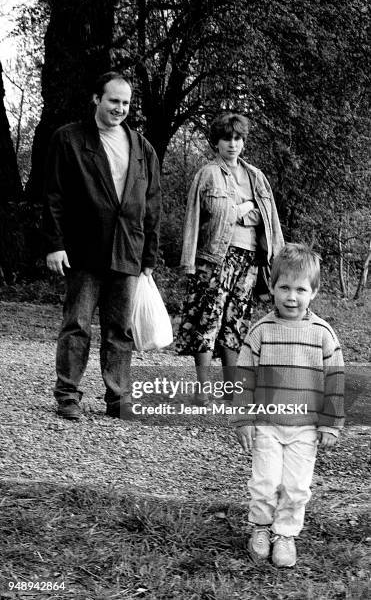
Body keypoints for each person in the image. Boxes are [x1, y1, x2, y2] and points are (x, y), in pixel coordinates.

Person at [43, 71, 161, 421]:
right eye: (113, 100)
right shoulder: (69, 139)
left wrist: (149, 258)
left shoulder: (143, 147)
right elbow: (53, 196)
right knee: (77, 324)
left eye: (125, 103)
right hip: (83, 249)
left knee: (120, 330)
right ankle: (67, 394)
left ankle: (118, 398)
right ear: (97, 99)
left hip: (128, 250)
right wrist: (54, 244)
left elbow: (152, 204)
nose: (120, 108)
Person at [233, 243, 345, 567]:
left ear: (314, 291)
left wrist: (330, 422)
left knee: (296, 485)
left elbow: (335, 379)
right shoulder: (261, 331)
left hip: (305, 428)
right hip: (267, 424)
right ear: (272, 287)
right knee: (265, 481)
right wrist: (243, 418)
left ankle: (285, 533)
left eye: (300, 289)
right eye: (284, 287)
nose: (291, 297)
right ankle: (261, 528)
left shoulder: (323, 334)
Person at [177, 112, 284, 403]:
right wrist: (240, 210)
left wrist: (279, 262)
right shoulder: (207, 174)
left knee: (236, 321)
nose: (232, 144)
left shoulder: (256, 176)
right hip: (214, 258)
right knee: (208, 318)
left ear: (244, 142)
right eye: (227, 138)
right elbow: (195, 218)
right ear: (217, 142)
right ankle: (202, 389)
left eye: (238, 138)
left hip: (248, 259)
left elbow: (269, 220)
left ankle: (230, 390)